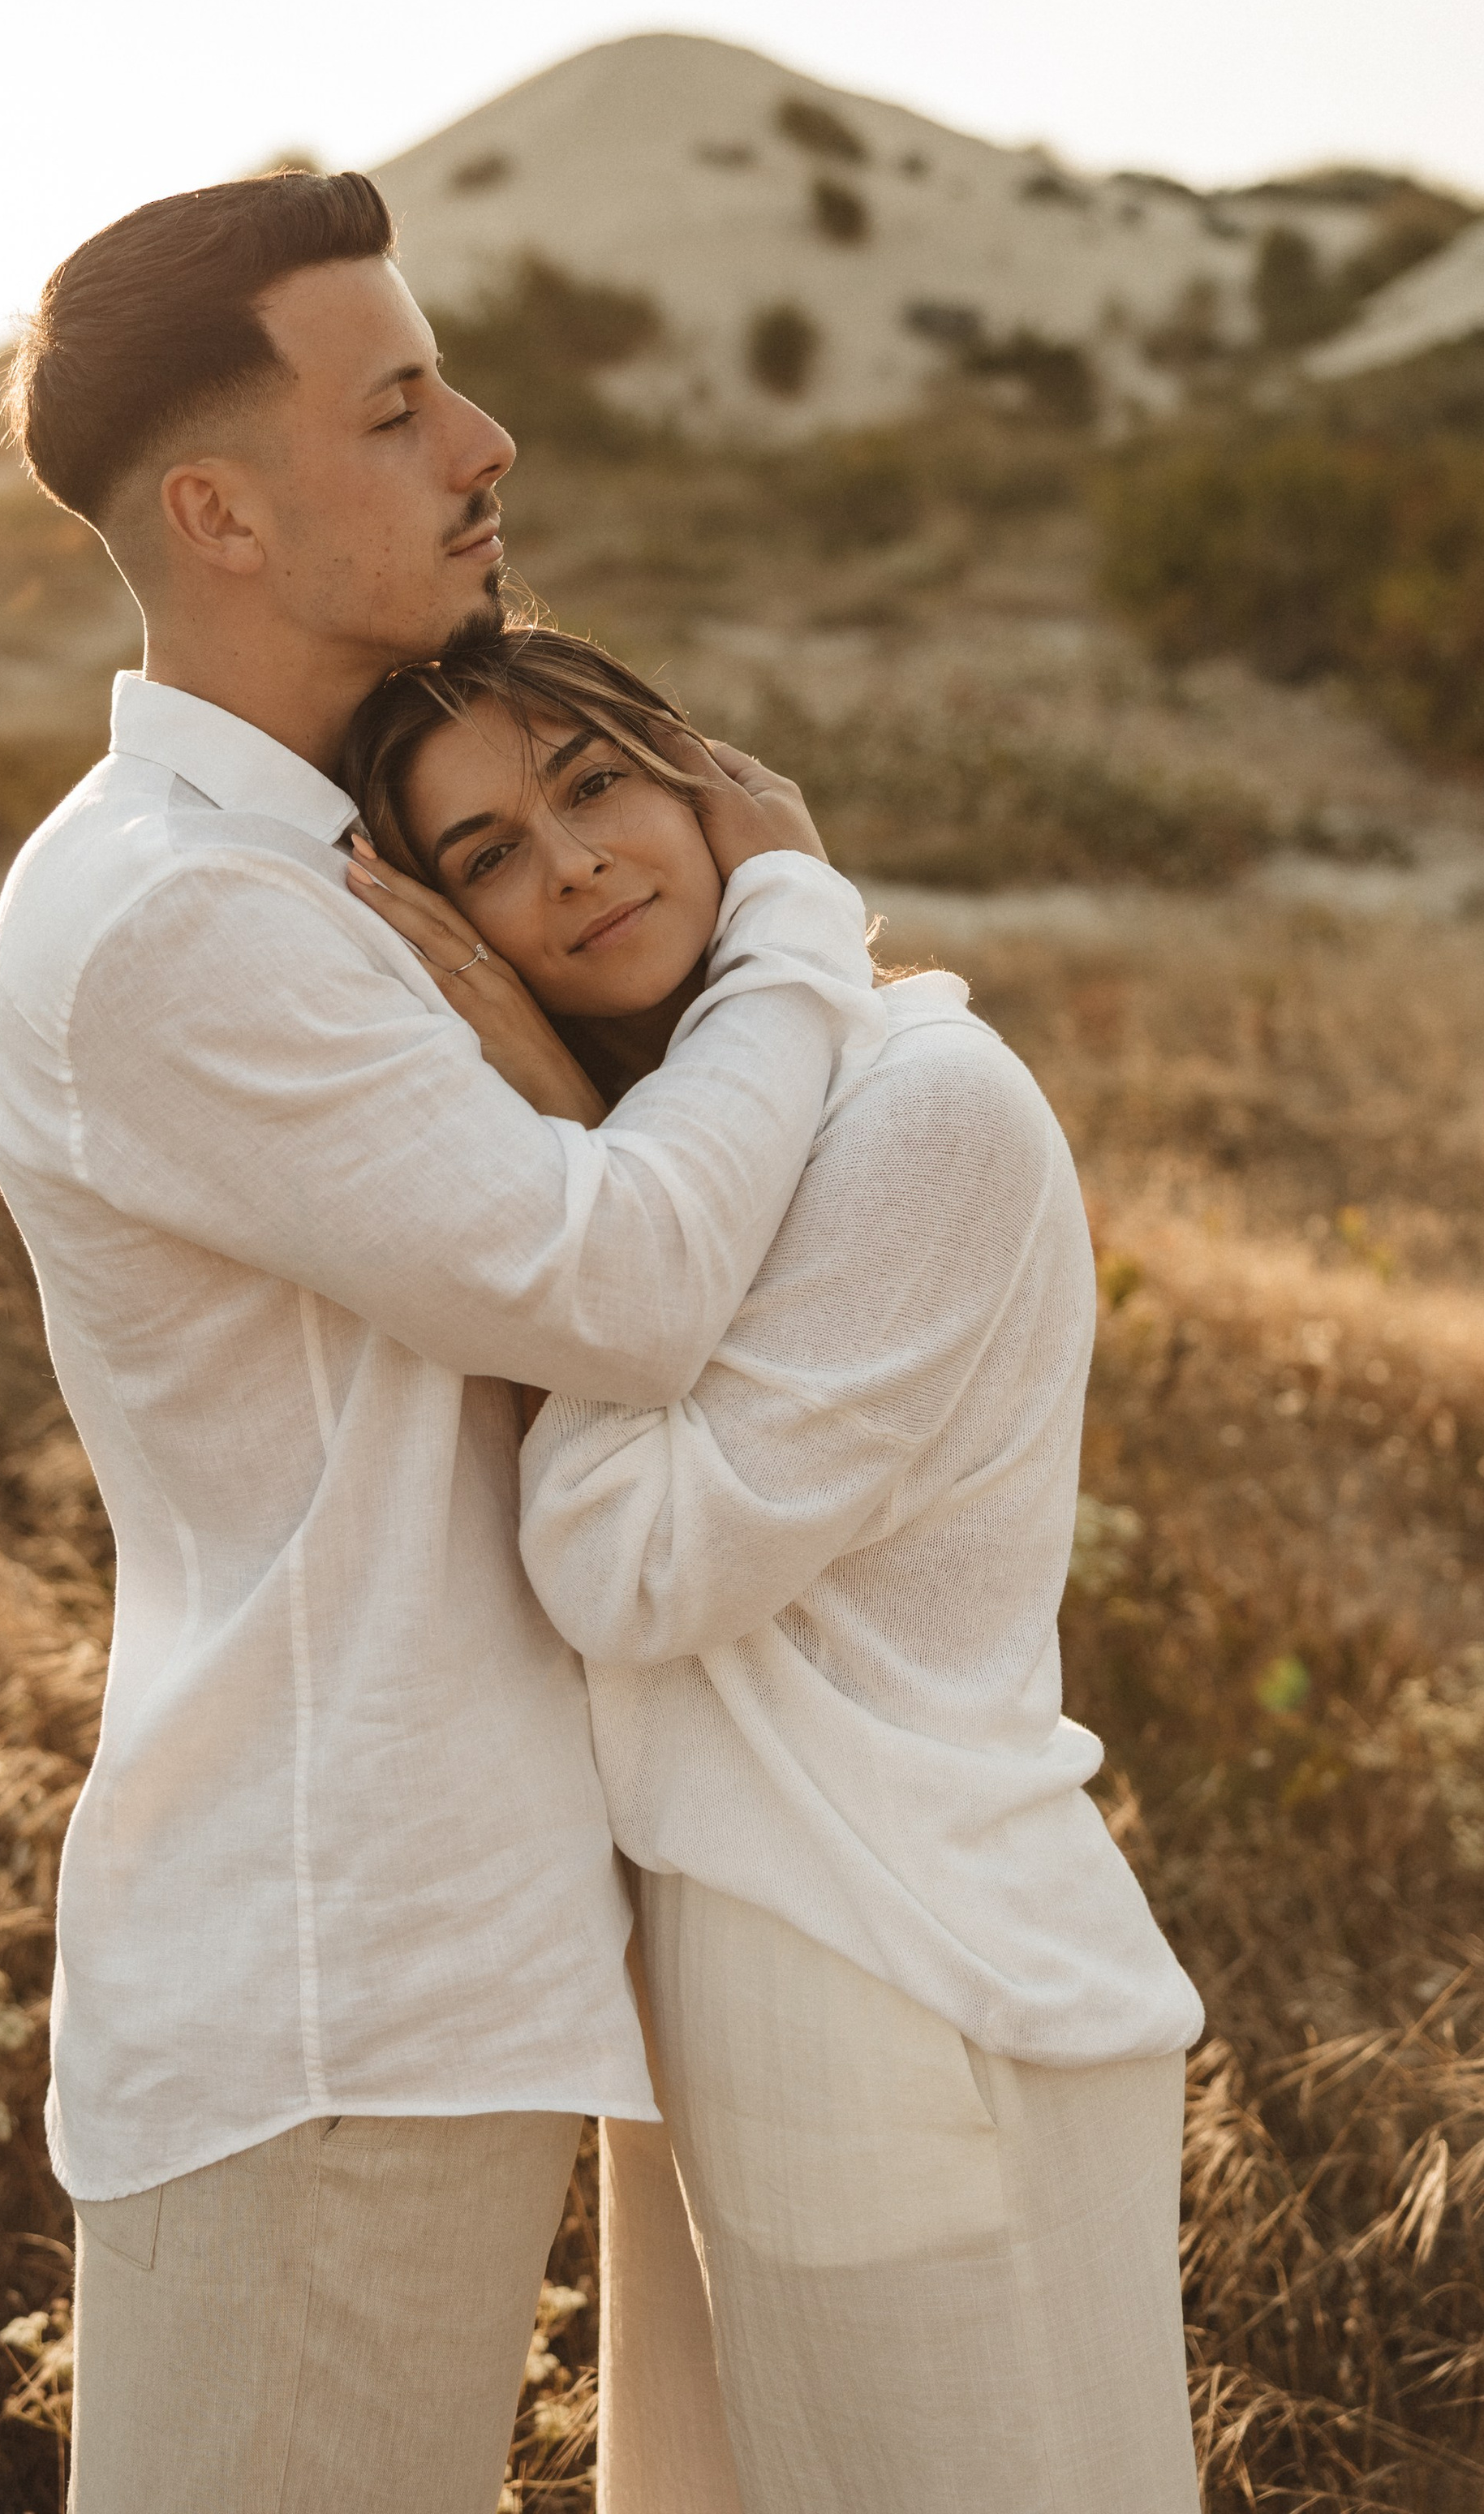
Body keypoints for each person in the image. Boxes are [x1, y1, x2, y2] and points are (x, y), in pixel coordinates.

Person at [0, 170, 888, 2514]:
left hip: (398, 1955)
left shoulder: (301, 878)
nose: (485, 443)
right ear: (222, 514)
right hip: (330, 1973)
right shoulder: (183, 920)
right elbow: (630, 1288)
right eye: (396, 407)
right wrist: (786, 914)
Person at [342, 622, 1207, 2514]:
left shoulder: (916, 1108)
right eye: (483, 851)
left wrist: (563, 1140)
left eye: (590, 786)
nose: (565, 861)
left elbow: (634, 1572)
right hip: (742, 1949)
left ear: (703, 782)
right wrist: (584, 1160)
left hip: (897, 1963)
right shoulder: (687, 1157)